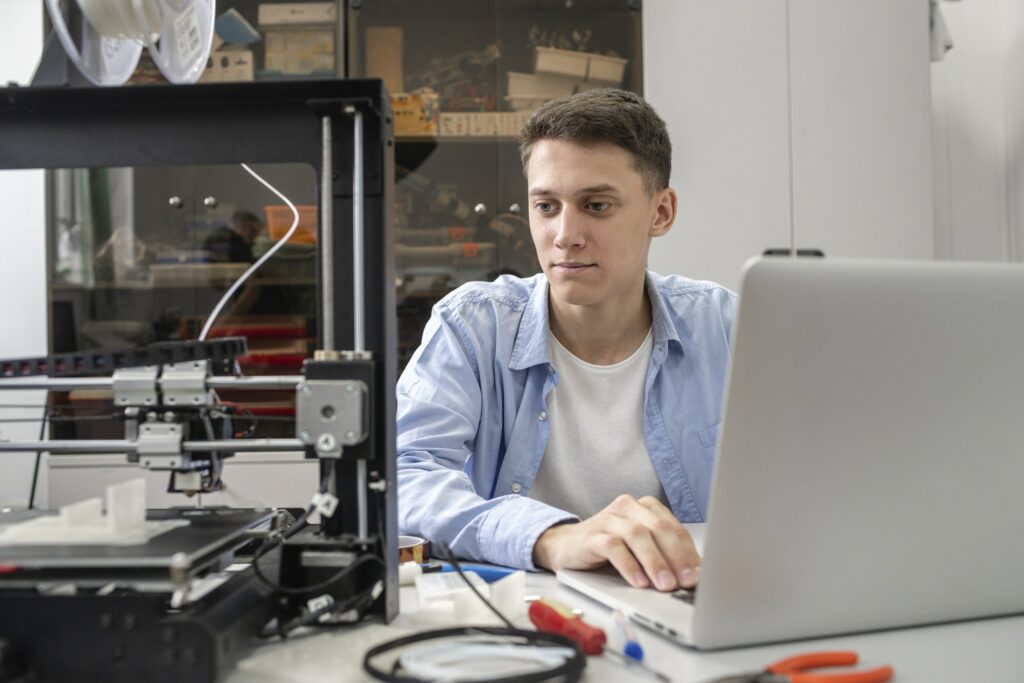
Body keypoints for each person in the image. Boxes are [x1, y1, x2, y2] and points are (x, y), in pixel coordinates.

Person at [397, 88, 736, 592]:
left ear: (660, 213)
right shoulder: (473, 325)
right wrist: (551, 539)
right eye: (546, 206)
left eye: (596, 205)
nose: (564, 234)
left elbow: (812, 472)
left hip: (678, 596)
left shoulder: (726, 326)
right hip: (517, 604)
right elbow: (402, 476)